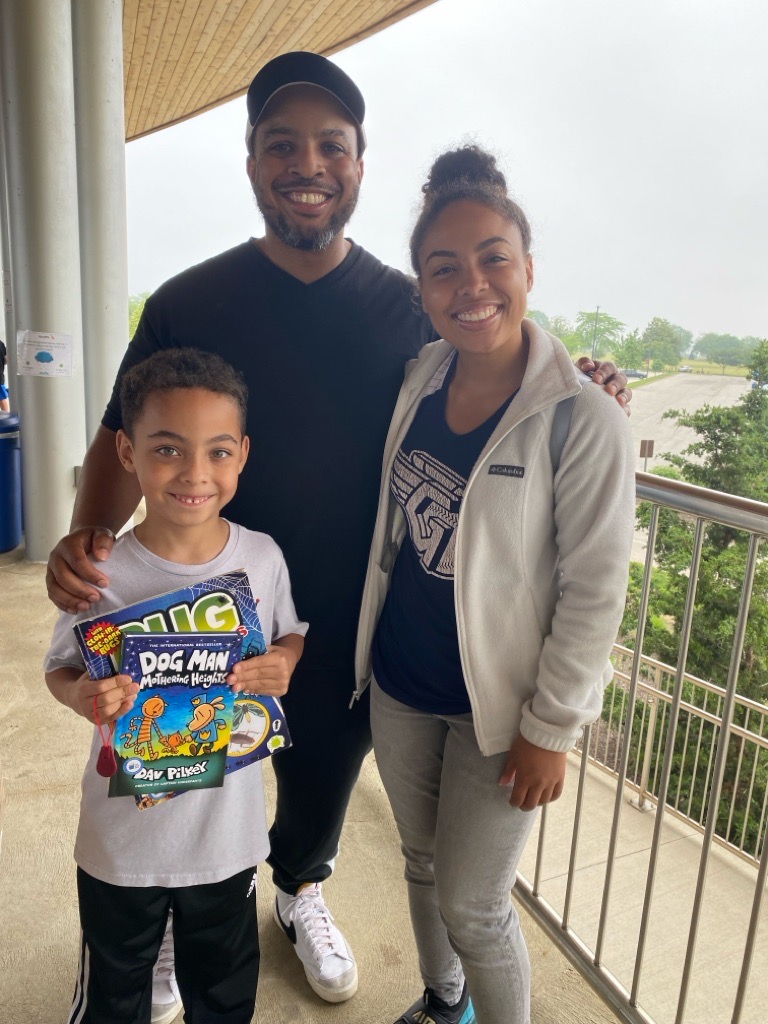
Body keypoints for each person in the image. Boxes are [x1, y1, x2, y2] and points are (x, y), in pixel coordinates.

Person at [44, 52, 631, 1013]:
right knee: (177, 784)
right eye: (283, 145)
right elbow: (121, 430)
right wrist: (86, 543)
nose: (306, 163)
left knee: (318, 784)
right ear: (252, 165)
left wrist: (589, 383)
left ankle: (299, 890)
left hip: (352, 624)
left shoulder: (412, 305)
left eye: (331, 145)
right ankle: (156, 928)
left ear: (360, 165)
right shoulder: (189, 299)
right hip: (194, 615)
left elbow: (503, 359)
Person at [353, 145, 636, 1024]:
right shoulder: (417, 379)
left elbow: (595, 590)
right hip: (402, 684)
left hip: (499, 714)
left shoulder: (581, 418)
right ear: (422, 289)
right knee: (420, 862)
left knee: (475, 904)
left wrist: (551, 728)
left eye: (492, 260)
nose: (471, 285)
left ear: (527, 269)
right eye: (444, 269)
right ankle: (443, 1005)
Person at [44, 348, 307, 1024]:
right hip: (120, 841)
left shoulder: (262, 556)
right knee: (114, 993)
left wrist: (285, 661)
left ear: (243, 454)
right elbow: (60, 666)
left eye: (218, 452)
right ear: (127, 452)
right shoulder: (99, 572)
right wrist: (81, 696)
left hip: (229, 838)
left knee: (223, 994)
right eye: (168, 450)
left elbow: (290, 631)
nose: (195, 474)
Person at [0, 339, 10, 412]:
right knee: (2, 398)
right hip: (0, 376)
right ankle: (7, 415)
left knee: (2, 398)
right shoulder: (1, 344)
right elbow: (6, 360)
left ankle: (7, 414)